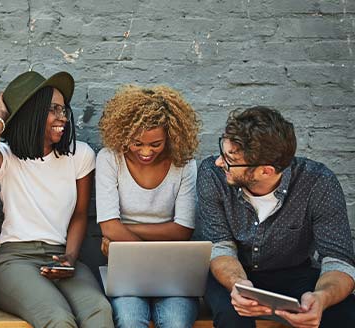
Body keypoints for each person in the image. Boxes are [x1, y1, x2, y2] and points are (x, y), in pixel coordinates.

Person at [0, 71, 113, 327]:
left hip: (61, 255)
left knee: (99, 311)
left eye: (63, 110)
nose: (62, 117)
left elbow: (80, 214)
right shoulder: (8, 157)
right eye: (53, 110)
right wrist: (1, 115)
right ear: (33, 114)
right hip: (15, 260)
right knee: (57, 319)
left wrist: (70, 256)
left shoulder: (79, 155)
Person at [198, 106, 355, 327]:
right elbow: (220, 245)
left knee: (344, 313)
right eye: (222, 152)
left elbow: (338, 260)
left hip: (294, 272)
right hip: (233, 271)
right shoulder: (212, 174)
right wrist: (239, 284)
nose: (219, 162)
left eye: (230, 158)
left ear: (266, 171)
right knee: (231, 316)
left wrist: (321, 298)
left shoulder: (318, 183)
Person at [95, 85, 201, 328]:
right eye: (137, 143)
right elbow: (108, 226)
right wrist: (154, 250)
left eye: (156, 144)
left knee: (176, 321)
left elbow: (183, 230)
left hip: (172, 271)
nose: (145, 151)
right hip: (127, 269)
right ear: (123, 134)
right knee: (130, 320)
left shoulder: (184, 164)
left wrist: (125, 231)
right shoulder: (110, 159)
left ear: (171, 137)